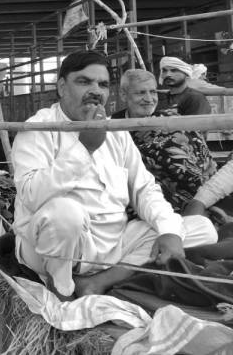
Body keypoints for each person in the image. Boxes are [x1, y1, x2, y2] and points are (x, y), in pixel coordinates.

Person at [12, 50, 217, 299]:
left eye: (103, 84)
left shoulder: (116, 132)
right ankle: (61, 286)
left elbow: (144, 189)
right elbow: (31, 196)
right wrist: (84, 148)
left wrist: (169, 231)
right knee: (65, 213)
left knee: (201, 228)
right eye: (84, 81)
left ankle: (98, 281)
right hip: (53, 249)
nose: (96, 90)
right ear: (62, 87)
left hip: (114, 244)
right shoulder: (37, 129)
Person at [111, 69, 216, 212]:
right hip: (151, 202)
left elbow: (202, 156)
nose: (149, 99)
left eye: (153, 92)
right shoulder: (113, 127)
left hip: (201, 194)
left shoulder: (172, 119)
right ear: (124, 95)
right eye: (141, 93)